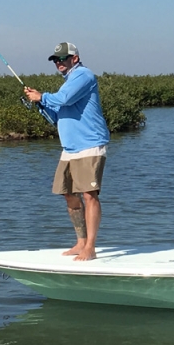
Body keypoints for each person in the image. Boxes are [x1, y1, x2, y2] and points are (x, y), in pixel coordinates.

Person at [23, 42, 110, 260]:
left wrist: (42, 96)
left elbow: (63, 99)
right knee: (67, 193)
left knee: (89, 195)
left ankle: (90, 246)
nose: (59, 63)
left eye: (63, 58)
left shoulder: (83, 75)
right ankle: (81, 241)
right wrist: (41, 104)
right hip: (69, 148)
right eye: (56, 60)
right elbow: (57, 114)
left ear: (75, 58)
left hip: (89, 144)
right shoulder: (68, 82)